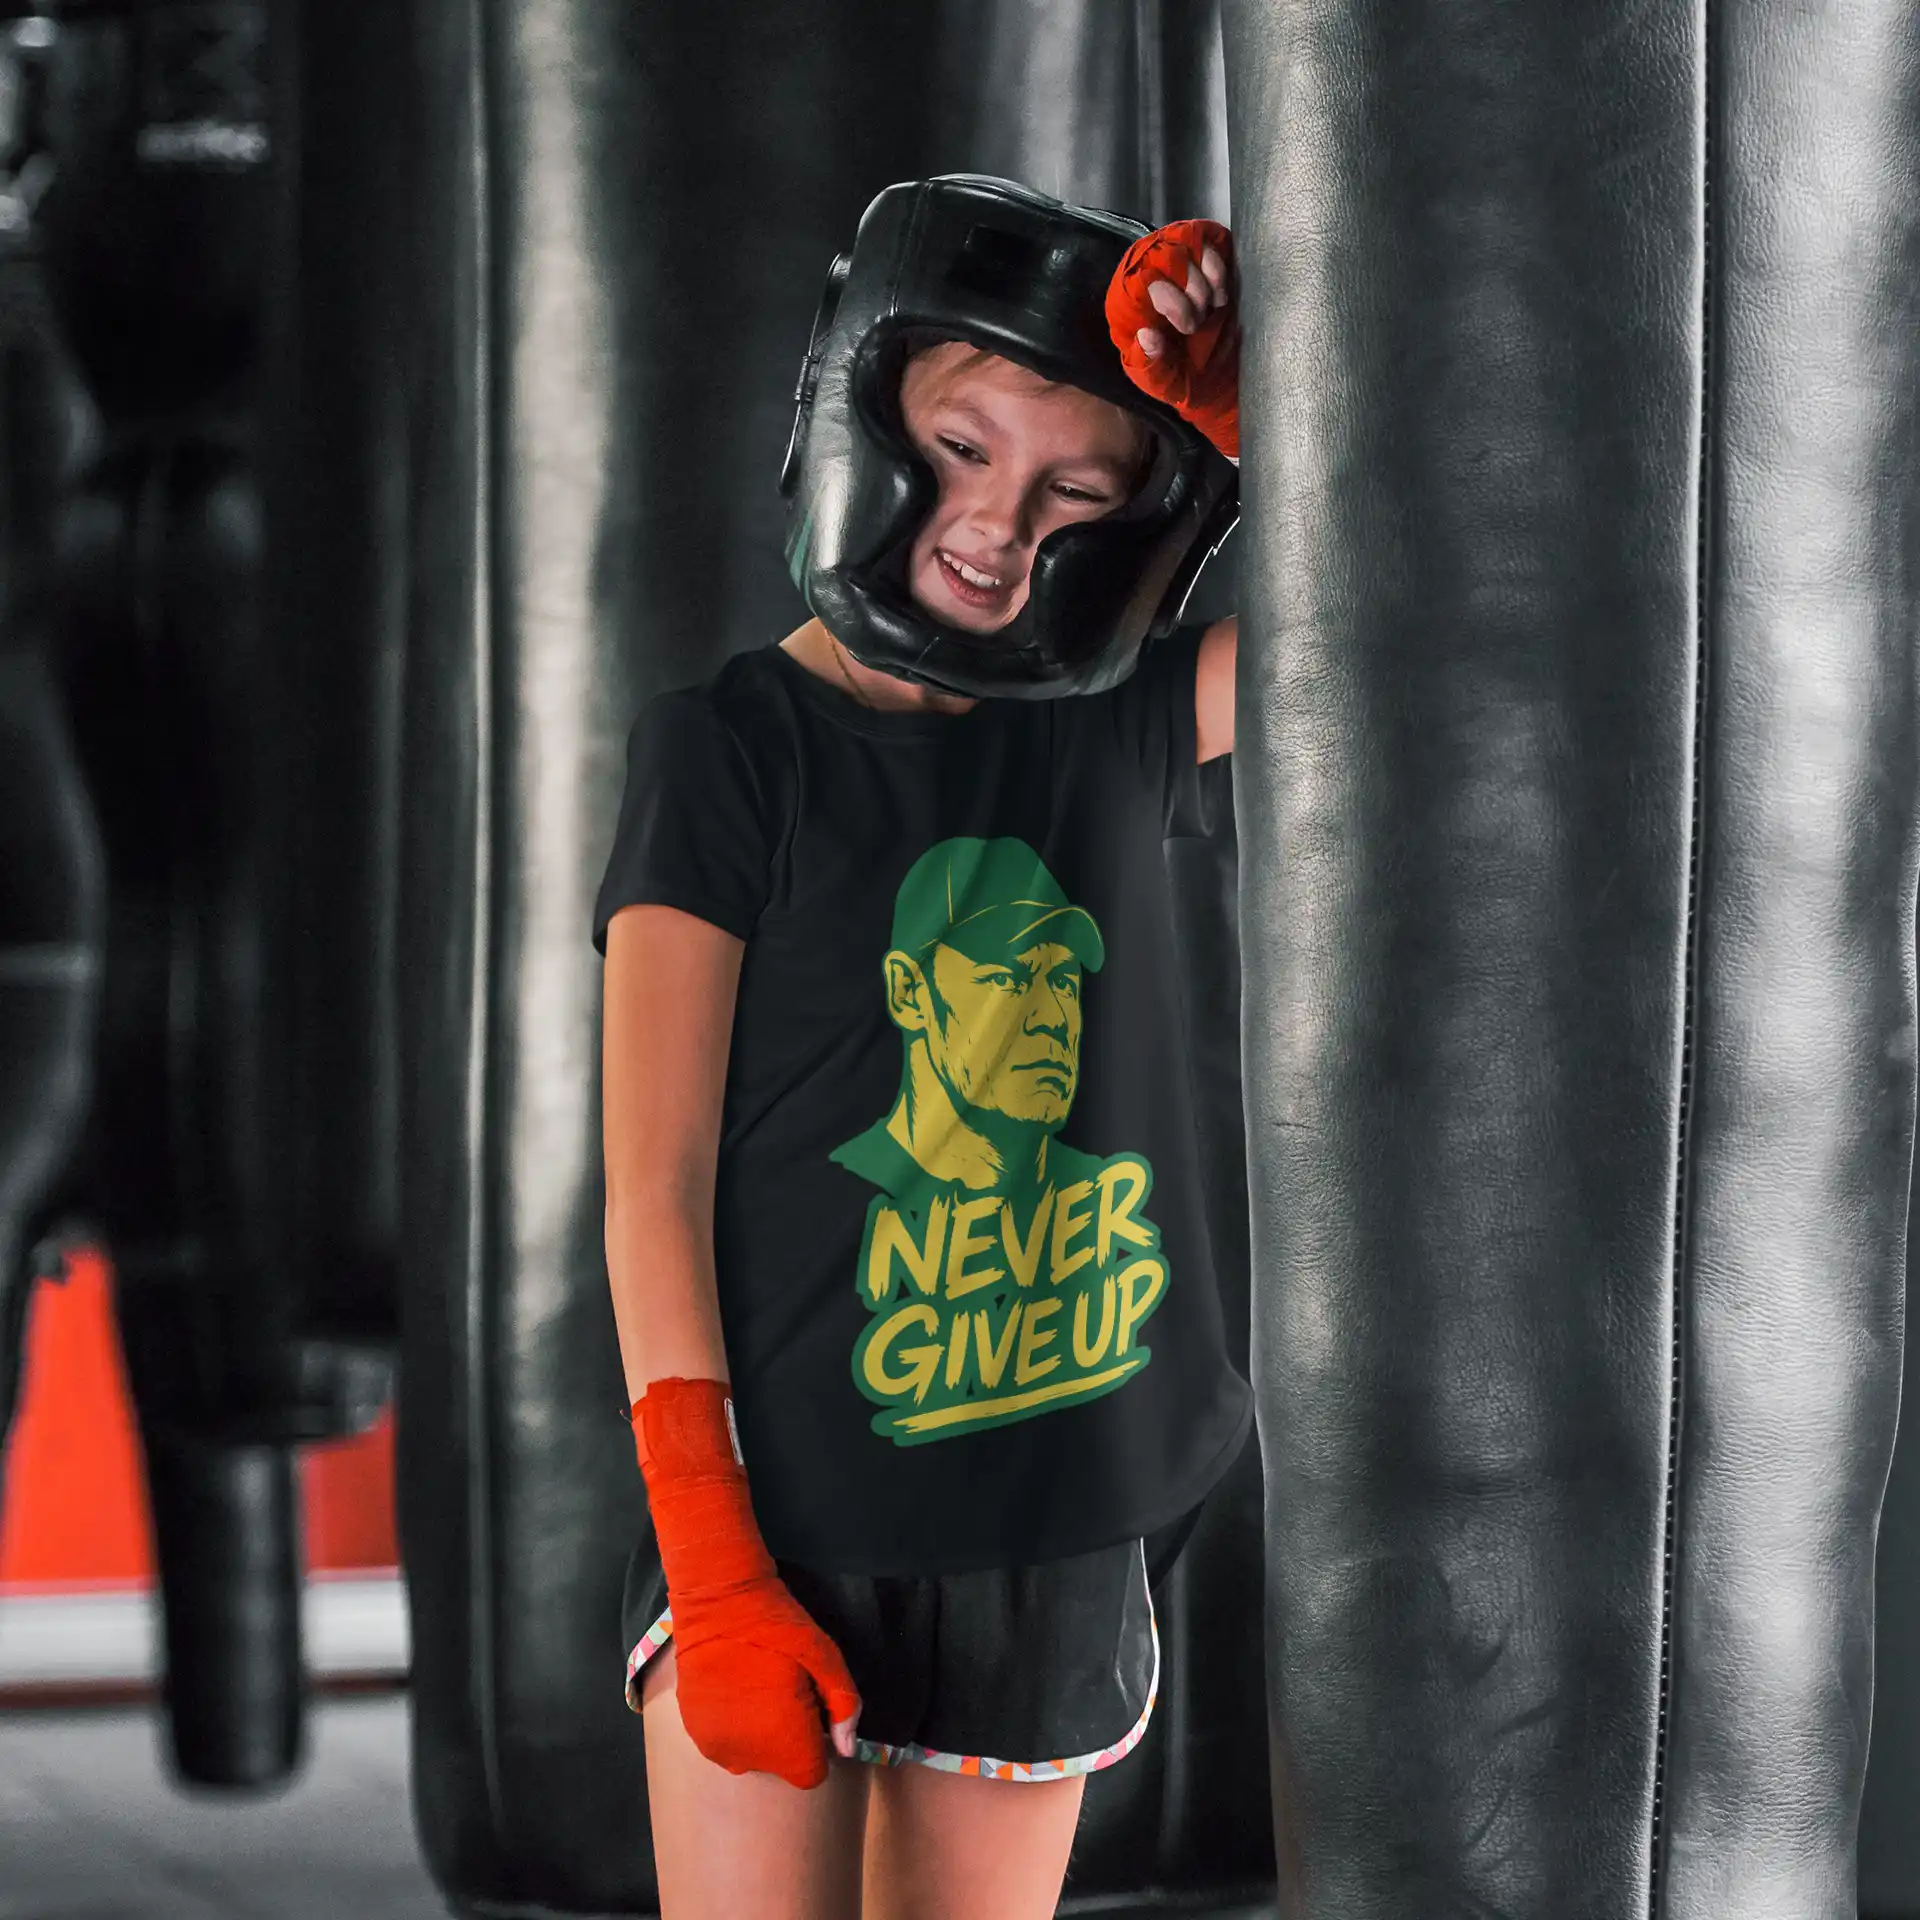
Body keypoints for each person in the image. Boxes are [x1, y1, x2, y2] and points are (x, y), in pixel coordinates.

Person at [597, 177, 1245, 1920]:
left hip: (1050, 1519)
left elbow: (1411, 633)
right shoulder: (730, 749)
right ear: (864, 413)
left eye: (1074, 492)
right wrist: (709, 1550)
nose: (997, 524)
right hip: (778, 1515)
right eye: (963, 449)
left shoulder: (1118, 729)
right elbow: (651, 1180)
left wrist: (1278, 436)